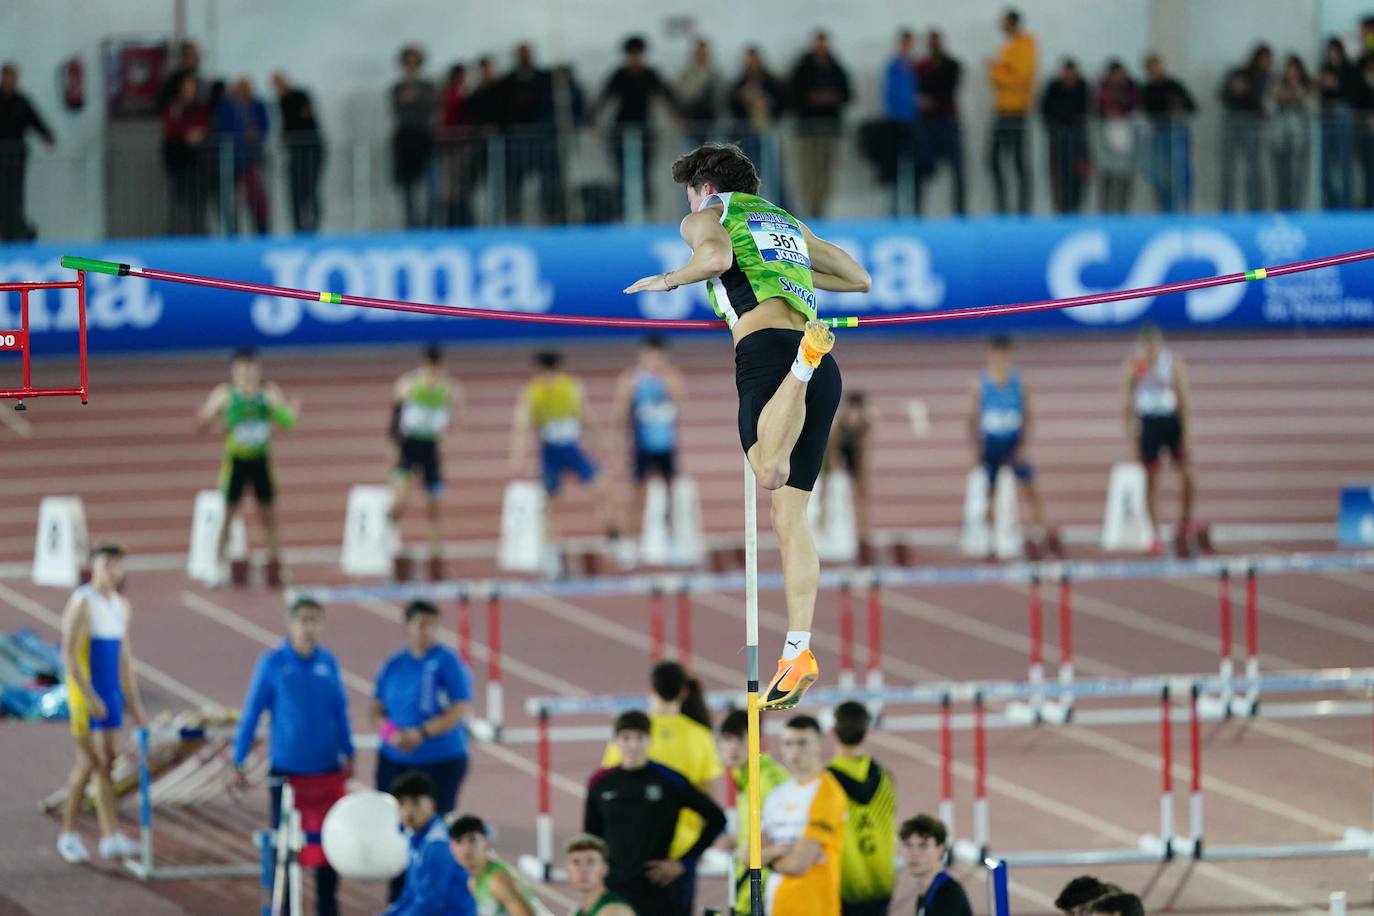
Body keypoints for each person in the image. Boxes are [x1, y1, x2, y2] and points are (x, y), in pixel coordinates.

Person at [623, 143, 870, 709]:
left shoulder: (708, 216)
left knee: (766, 468)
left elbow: (711, 261)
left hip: (768, 355)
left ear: (704, 188)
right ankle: (798, 651)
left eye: (688, 193)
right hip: (819, 366)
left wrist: (665, 281)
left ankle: (804, 361)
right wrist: (793, 274)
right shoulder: (782, 222)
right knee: (790, 516)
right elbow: (857, 279)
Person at [232, 595, 352, 916]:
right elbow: (252, 712)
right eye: (303, 620)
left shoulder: (329, 663)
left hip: (327, 771)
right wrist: (237, 758)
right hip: (287, 774)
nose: (308, 627)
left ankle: (328, 909)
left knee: (330, 846)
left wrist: (349, 750)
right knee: (284, 847)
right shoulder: (271, 664)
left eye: (315, 620)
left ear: (322, 625)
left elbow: (340, 710)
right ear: (290, 622)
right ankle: (282, 908)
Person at [373, 600, 475, 900]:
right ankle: (401, 896)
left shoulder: (448, 662)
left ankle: (439, 894)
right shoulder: (394, 665)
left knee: (436, 831)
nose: (426, 631)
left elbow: (460, 708)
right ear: (407, 626)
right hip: (395, 761)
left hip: (440, 760)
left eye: (432, 625)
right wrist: (391, 734)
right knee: (398, 830)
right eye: (420, 624)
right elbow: (376, 708)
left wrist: (421, 733)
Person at [600, 662, 721, 915]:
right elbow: (709, 802)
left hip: (628, 857)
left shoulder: (630, 736)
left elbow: (608, 796)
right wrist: (688, 859)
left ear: (651, 688)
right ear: (684, 692)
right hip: (677, 856)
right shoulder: (701, 736)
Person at [56, 544, 145, 864]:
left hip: (108, 694)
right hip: (84, 696)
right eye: (107, 564)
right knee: (89, 763)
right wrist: (90, 697)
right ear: (93, 566)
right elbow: (68, 656)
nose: (113, 570)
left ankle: (110, 837)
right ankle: (68, 834)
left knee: (107, 763)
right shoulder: (82, 602)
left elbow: (124, 660)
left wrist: (135, 706)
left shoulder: (121, 606)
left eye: (118, 565)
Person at [194, 347, 300, 587]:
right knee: (229, 516)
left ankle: (275, 568)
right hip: (236, 463)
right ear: (234, 371)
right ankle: (216, 567)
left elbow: (287, 424)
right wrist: (207, 417)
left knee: (269, 516)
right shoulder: (224, 395)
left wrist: (289, 411)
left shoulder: (268, 393)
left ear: (258, 369)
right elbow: (200, 426)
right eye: (242, 369)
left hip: (261, 462)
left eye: (252, 369)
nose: (247, 374)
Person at [510, 351, 622, 575]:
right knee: (551, 505)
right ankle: (553, 554)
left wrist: (602, 443)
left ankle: (614, 541)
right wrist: (519, 455)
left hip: (572, 450)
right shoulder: (532, 393)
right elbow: (521, 424)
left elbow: (585, 415)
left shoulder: (571, 387)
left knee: (604, 491)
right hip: (551, 454)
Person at [968, 334, 1058, 558]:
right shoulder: (980, 383)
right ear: (990, 356)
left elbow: (1028, 415)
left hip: (1013, 442)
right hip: (991, 443)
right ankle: (989, 541)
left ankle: (1040, 537)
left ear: (1010, 356)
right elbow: (972, 419)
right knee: (990, 493)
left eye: (1004, 356)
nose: (1000, 360)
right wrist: (976, 449)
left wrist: (1023, 445)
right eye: (996, 356)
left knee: (1030, 489)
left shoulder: (1021, 382)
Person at [391, 344, 466, 580]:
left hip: (431, 449)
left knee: (434, 506)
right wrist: (393, 446)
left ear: (441, 368)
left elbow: (458, 421)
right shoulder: (408, 386)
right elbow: (394, 418)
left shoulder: (450, 389)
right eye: (430, 369)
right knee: (400, 502)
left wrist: (448, 427)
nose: (434, 374)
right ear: (423, 366)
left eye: (437, 369)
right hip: (409, 447)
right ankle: (391, 543)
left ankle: (435, 558)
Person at [759, 715, 846, 916]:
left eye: (802, 743)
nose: (794, 751)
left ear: (818, 745)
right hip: (777, 906)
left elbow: (798, 864)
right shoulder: (776, 795)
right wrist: (783, 850)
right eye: (788, 744)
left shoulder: (828, 792)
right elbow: (748, 856)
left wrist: (769, 855)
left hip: (816, 909)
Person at [1123, 325, 1195, 555]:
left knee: (1189, 478)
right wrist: (1132, 438)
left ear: (1159, 344)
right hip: (1149, 424)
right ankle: (1154, 535)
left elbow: (1183, 397)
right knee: (1150, 483)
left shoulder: (1172, 363)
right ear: (1141, 346)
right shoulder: (1135, 366)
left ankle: (1184, 524)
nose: (1150, 351)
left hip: (1171, 423)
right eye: (1146, 347)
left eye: (1154, 346)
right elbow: (1127, 403)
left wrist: (1186, 433)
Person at [611, 337, 686, 547]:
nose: (654, 361)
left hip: (666, 444)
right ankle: (630, 541)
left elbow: (680, 402)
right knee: (637, 494)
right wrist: (617, 446)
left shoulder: (671, 377)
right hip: (640, 445)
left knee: (670, 494)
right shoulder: (631, 379)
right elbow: (619, 413)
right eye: (649, 356)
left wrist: (664, 380)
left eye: (658, 357)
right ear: (642, 356)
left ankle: (672, 540)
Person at [717, 708, 789, 916]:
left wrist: (754, 854)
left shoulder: (767, 780)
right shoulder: (745, 777)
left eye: (740, 739)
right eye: (726, 740)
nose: (732, 748)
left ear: (756, 738)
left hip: (764, 893)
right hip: (748, 891)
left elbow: (783, 835)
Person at [827, 702, 896, 916]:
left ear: (834, 731)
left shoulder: (826, 782)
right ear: (866, 731)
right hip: (882, 878)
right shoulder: (885, 778)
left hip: (845, 881)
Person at [597, 35, 675, 219]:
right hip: (621, 130)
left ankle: (645, 210)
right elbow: (604, 98)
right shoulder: (619, 75)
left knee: (644, 173)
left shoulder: (650, 75)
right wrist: (593, 121)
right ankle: (623, 212)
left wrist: (681, 118)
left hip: (645, 130)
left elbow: (667, 96)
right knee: (622, 174)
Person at [384, 771, 477, 916]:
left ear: (432, 805)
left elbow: (430, 904)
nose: (408, 811)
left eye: (415, 803)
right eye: (402, 804)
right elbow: (410, 895)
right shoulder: (415, 837)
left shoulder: (437, 846)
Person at [789, 31, 852, 217]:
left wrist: (831, 98)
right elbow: (794, 95)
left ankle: (821, 211)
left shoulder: (835, 67)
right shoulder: (802, 68)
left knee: (826, 173)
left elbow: (847, 94)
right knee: (808, 172)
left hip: (830, 129)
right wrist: (812, 100)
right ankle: (809, 210)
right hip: (807, 130)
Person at [987, 8, 1037, 214]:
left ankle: (1023, 210)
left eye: (1004, 22)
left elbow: (1020, 78)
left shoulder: (1026, 44)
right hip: (1002, 110)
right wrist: (1001, 71)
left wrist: (997, 71)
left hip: (1016, 111)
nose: (1002, 26)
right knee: (993, 160)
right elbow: (1009, 74)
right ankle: (1003, 208)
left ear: (1013, 23)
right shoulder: (1008, 47)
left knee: (1019, 162)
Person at [0, 63, 55, 242]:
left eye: (13, 78)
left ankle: (16, 231)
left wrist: (47, 136)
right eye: (7, 77)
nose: (10, 81)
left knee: (15, 195)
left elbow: (35, 120)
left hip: (16, 155)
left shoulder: (22, 102)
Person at [448, 815, 539, 916]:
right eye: (459, 841)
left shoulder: (497, 880)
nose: (466, 849)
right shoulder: (472, 881)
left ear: (485, 841)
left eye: (472, 840)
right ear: (451, 847)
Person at [916, 31, 965, 215]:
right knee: (922, 169)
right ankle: (918, 212)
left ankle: (960, 211)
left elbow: (947, 89)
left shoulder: (952, 65)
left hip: (948, 120)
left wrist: (932, 100)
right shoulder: (922, 66)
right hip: (928, 123)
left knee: (958, 168)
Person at [215, 77, 271, 234]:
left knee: (257, 199)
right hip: (232, 161)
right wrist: (241, 135)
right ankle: (233, 233)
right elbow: (222, 129)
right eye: (241, 88)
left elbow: (265, 126)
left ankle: (261, 232)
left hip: (253, 160)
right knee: (231, 202)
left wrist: (257, 134)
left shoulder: (258, 105)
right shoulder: (227, 106)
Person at [1219, 44, 1272, 211]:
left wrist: (1249, 91)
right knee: (1228, 168)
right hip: (1234, 121)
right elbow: (1223, 95)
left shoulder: (1265, 78)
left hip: (1252, 123)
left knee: (1254, 169)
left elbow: (1260, 102)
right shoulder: (1239, 73)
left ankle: (1256, 208)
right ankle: (1226, 208)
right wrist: (1234, 89)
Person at [1141, 53, 1195, 213]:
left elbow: (1192, 106)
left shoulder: (1175, 85)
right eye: (1151, 68)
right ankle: (1166, 207)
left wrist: (1179, 109)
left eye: (1156, 66)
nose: (1155, 70)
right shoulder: (1148, 89)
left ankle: (1183, 205)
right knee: (1160, 174)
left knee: (1180, 171)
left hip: (1177, 132)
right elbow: (1148, 109)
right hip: (1159, 133)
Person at [823, 392, 875, 556]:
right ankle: (822, 522)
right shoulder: (838, 424)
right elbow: (831, 447)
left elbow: (864, 448)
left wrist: (859, 469)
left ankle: (864, 536)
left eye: (856, 412)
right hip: (837, 448)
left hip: (854, 452)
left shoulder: (867, 423)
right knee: (826, 487)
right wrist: (833, 462)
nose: (853, 416)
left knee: (862, 492)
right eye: (850, 411)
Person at [272, 71, 325, 233]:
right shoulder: (281, 101)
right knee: (295, 191)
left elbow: (306, 118)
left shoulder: (301, 95)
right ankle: (298, 227)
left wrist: (290, 134)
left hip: (311, 150)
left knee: (310, 189)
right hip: (295, 153)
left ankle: (314, 224)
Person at [391, 45, 437, 228]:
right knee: (408, 190)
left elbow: (431, 105)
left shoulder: (427, 86)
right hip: (405, 142)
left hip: (425, 140)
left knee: (433, 188)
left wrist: (415, 97)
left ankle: (430, 224)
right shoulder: (397, 87)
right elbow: (398, 107)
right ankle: (412, 226)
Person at [161, 73, 212, 235]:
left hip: (198, 163)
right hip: (178, 162)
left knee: (198, 202)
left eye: (191, 89)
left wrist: (198, 134)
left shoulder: (201, 108)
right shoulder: (173, 108)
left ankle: (199, 236)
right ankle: (176, 236)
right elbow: (171, 129)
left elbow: (205, 126)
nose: (188, 92)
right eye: (185, 89)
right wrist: (186, 135)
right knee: (177, 202)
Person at [1040, 58, 1090, 214]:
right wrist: (1054, 127)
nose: (1069, 75)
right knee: (1059, 174)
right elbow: (1045, 109)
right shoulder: (1054, 87)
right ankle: (1060, 208)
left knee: (1079, 174)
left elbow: (1086, 110)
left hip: (1078, 139)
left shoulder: (1082, 87)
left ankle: (1076, 208)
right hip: (1058, 138)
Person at [898, 814, 972, 916]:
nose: (914, 853)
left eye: (923, 846)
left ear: (940, 849)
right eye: (908, 845)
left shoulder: (948, 895)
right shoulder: (925, 893)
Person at [883, 30, 923, 214]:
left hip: (914, 122)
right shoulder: (894, 67)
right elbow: (892, 94)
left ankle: (914, 209)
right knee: (896, 168)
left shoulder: (915, 67)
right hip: (897, 122)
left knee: (915, 167)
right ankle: (895, 208)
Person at [1268, 54, 1314, 210]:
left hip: (1300, 141)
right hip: (1280, 141)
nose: (1292, 73)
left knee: (1299, 178)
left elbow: (1310, 105)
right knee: (1281, 179)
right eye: (1289, 69)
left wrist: (1297, 91)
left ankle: (1298, 208)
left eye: (1295, 70)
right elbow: (1270, 103)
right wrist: (1284, 94)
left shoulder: (1307, 86)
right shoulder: (1277, 85)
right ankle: (1282, 208)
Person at [1319, 37, 1360, 210]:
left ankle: (1346, 204)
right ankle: (1330, 203)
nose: (1333, 55)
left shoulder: (1349, 70)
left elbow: (1354, 94)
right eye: (1330, 52)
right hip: (1327, 118)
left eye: (1335, 51)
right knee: (1326, 165)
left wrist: (1337, 85)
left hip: (1344, 119)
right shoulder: (1325, 70)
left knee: (1345, 164)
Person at [1096, 60, 1140, 213]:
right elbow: (1098, 106)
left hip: (1127, 132)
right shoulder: (1103, 88)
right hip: (1108, 133)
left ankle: (1123, 209)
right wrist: (1108, 112)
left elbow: (1135, 104)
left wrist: (1122, 112)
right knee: (1107, 173)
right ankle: (1105, 209)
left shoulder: (1132, 87)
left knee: (1125, 174)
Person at [565, 834, 635, 916]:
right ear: (567, 869)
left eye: (591, 862)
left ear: (605, 869)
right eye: (576, 862)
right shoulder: (578, 912)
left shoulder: (616, 911)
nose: (583, 869)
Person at [676, 39, 720, 148]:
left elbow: (719, 98)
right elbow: (681, 96)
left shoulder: (715, 74)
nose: (701, 56)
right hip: (691, 122)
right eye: (699, 53)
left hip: (711, 122)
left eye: (704, 54)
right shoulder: (686, 75)